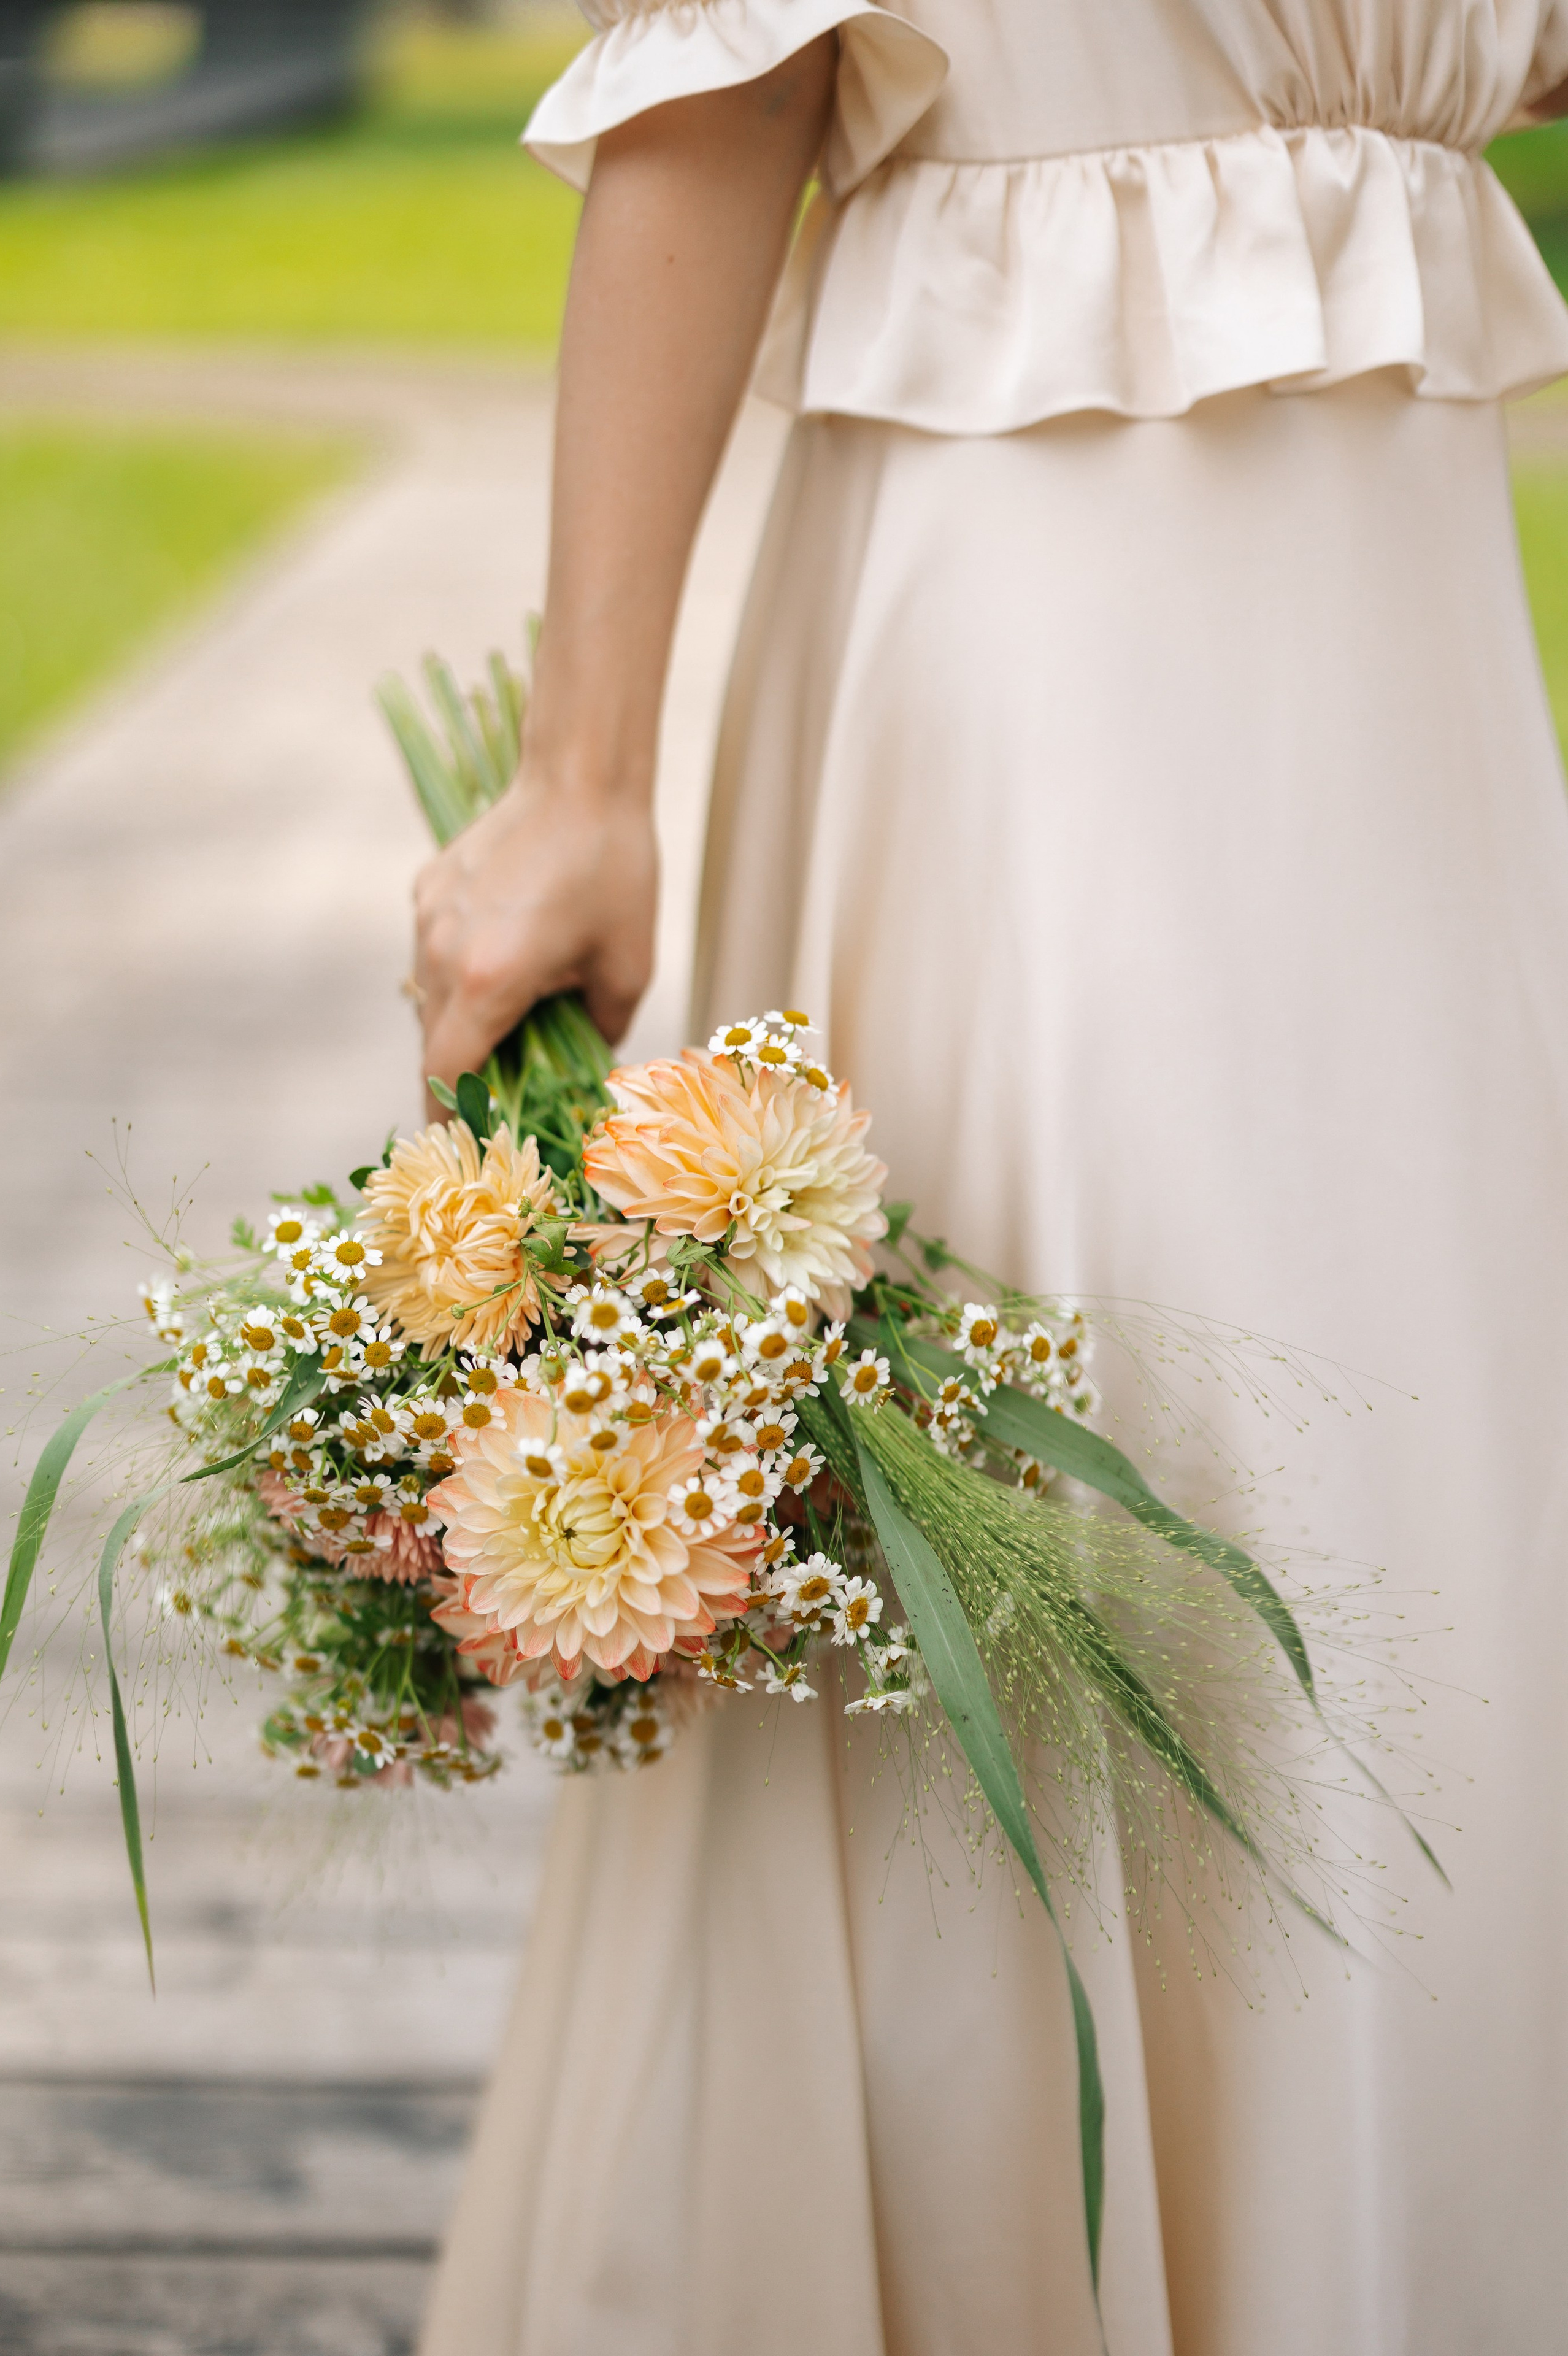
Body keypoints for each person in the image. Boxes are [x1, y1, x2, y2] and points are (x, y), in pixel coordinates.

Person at [412, 4, 1568, 2351]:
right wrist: (584, 775)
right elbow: (734, 63)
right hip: (1038, 638)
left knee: (1402, 1504)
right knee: (1101, 1445)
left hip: (1400, 668)